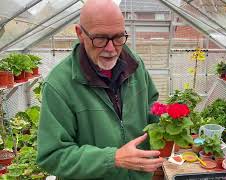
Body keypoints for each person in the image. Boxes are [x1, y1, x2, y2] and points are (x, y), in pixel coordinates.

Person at [36, 0, 164, 179]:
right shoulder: (60, 84)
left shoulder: (134, 65)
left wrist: (167, 122)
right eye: (100, 39)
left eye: (118, 37)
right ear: (80, 33)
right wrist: (113, 159)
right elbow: (52, 156)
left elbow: (151, 104)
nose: (111, 49)